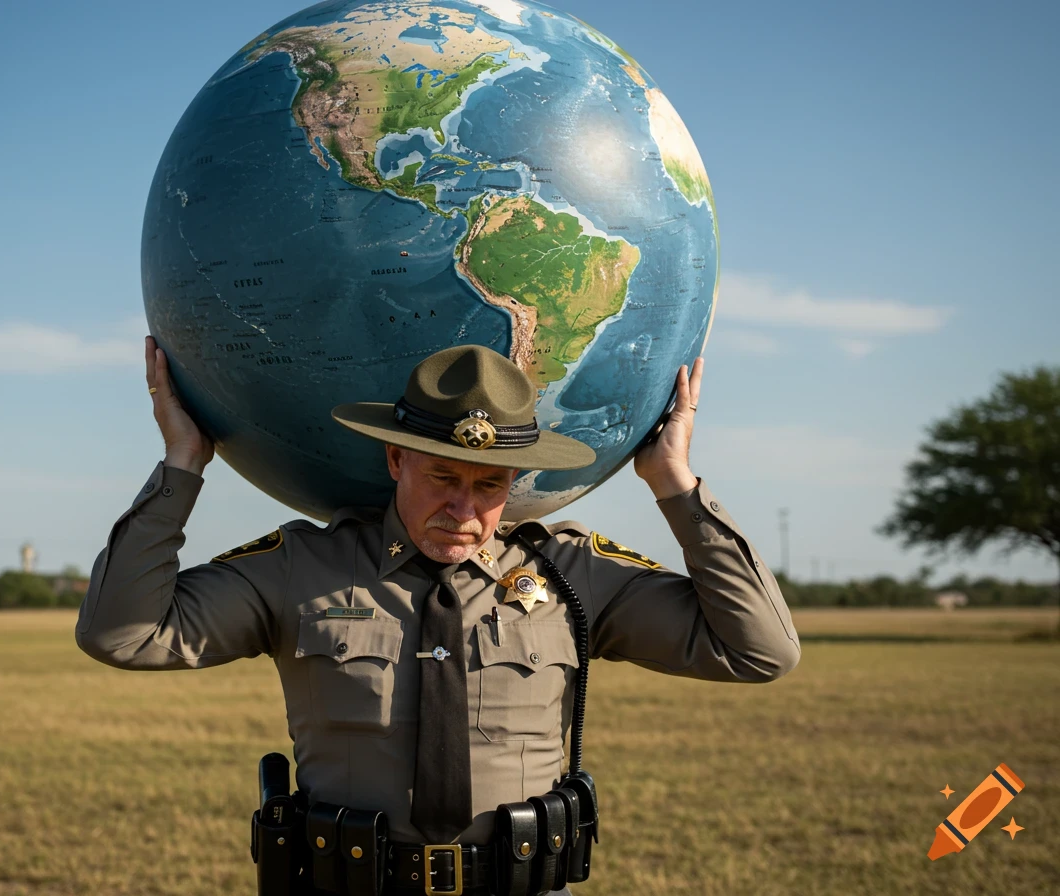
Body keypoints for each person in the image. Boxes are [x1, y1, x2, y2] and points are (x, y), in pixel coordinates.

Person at [75, 339, 800, 896]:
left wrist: (675, 483)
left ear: (516, 481)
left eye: (489, 485)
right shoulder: (302, 569)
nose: (464, 509)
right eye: (443, 477)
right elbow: (124, 634)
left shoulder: (572, 576)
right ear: (395, 459)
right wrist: (182, 465)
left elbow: (759, 651)